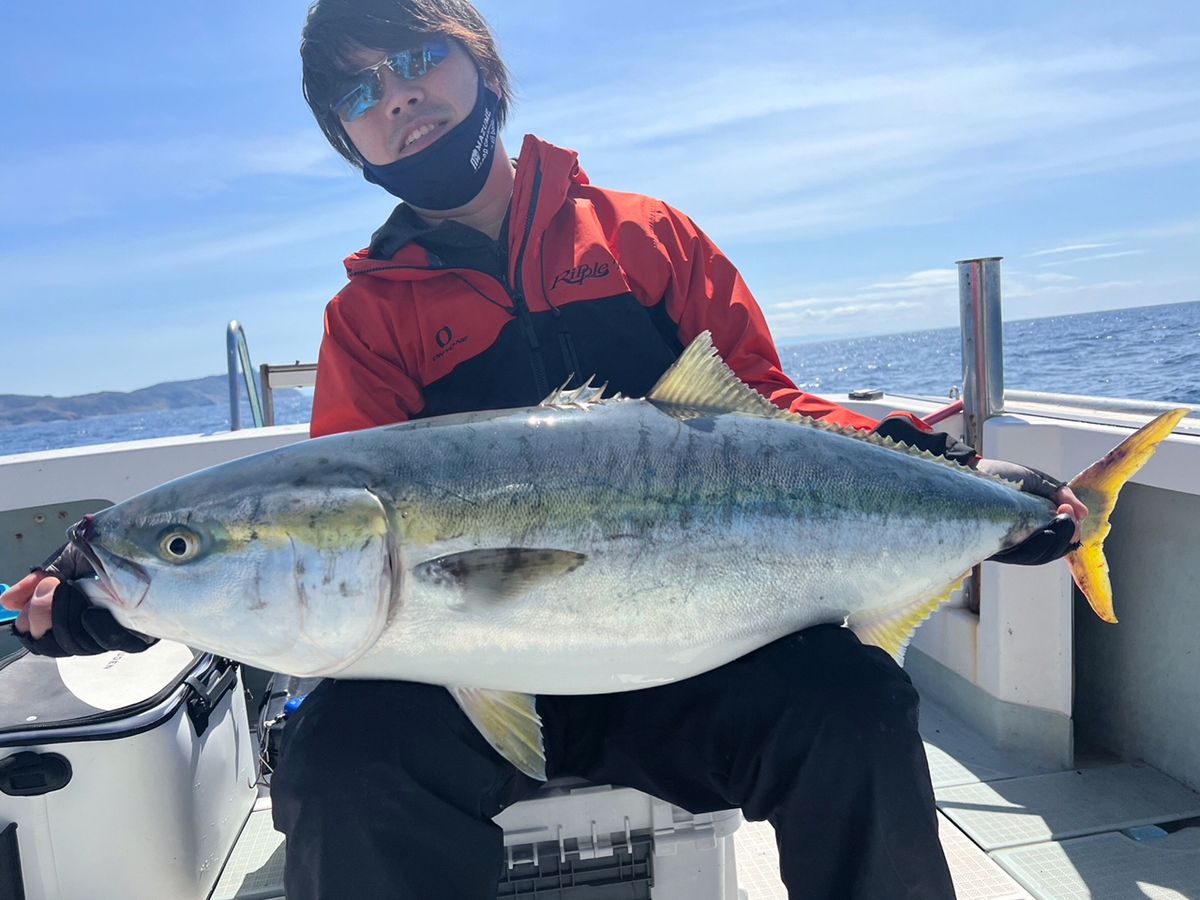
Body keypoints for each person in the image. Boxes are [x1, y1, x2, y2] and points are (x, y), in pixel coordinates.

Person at [2, 1, 1086, 896]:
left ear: (482, 67)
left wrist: (953, 476)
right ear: (348, 143)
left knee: (851, 707)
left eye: (417, 61)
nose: (398, 100)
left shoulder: (645, 238)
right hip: (466, 672)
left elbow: (768, 411)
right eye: (359, 94)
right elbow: (315, 575)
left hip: (701, 654)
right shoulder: (367, 320)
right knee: (341, 762)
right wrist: (122, 600)